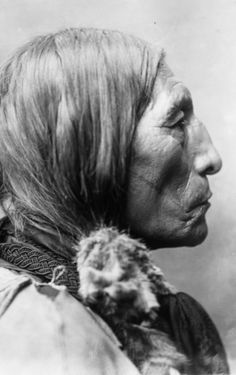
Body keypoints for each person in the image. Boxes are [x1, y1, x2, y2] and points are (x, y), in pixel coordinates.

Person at [0, 28, 229, 374]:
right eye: (177, 122)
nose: (210, 158)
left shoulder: (151, 315)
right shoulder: (43, 328)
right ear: (83, 153)